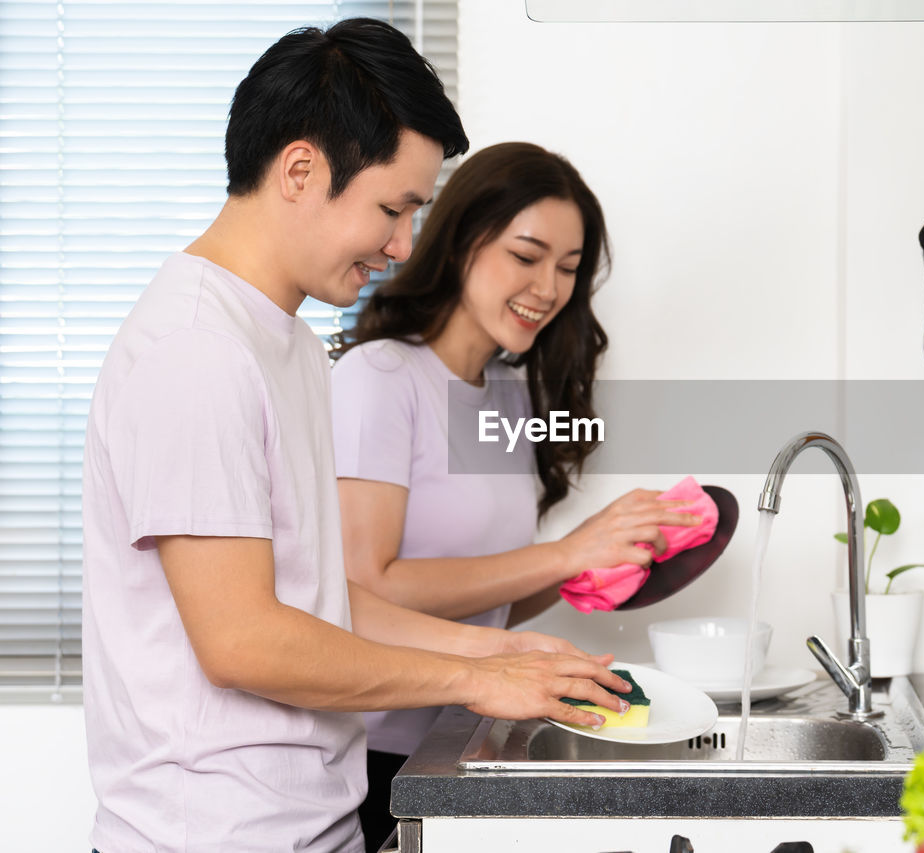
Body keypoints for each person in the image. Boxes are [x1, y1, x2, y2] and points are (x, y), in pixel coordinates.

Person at [81, 22, 628, 853]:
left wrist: (507, 655)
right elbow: (243, 639)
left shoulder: (292, 344)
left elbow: (326, 601)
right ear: (300, 170)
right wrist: (472, 675)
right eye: (391, 207)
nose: (404, 244)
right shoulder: (196, 352)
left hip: (310, 823)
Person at [330, 141, 700, 849]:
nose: (549, 288)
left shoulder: (509, 392)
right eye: (526, 256)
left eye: (568, 268)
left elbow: (491, 593)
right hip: (379, 756)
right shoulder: (379, 378)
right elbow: (362, 588)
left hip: (474, 730)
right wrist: (563, 551)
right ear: (464, 238)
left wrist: (594, 567)